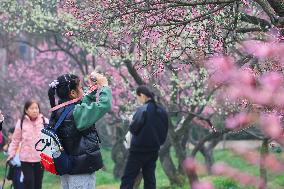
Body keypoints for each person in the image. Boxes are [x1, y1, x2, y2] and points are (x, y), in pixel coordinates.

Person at [47, 72, 112, 189]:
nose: (83, 90)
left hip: (68, 169)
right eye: (81, 88)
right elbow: (104, 105)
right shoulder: (76, 113)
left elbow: (80, 106)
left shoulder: (59, 110)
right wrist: (104, 87)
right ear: (72, 93)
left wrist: (92, 91)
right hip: (80, 171)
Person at [120, 85, 169, 189]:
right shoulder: (162, 111)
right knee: (149, 178)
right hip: (153, 150)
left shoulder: (143, 109)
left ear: (142, 95)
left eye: (138, 98)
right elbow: (164, 131)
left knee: (128, 178)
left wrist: (131, 121)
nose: (138, 100)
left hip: (138, 150)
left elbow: (133, 128)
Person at [8, 100, 48, 189]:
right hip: (26, 159)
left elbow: (51, 137)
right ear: (26, 110)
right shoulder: (21, 122)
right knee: (29, 183)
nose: (35, 111)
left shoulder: (44, 121)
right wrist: (11, 154)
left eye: (36, 108)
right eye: (32, 108)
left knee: (38, 184)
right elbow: (15, 140)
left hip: (40, 158)